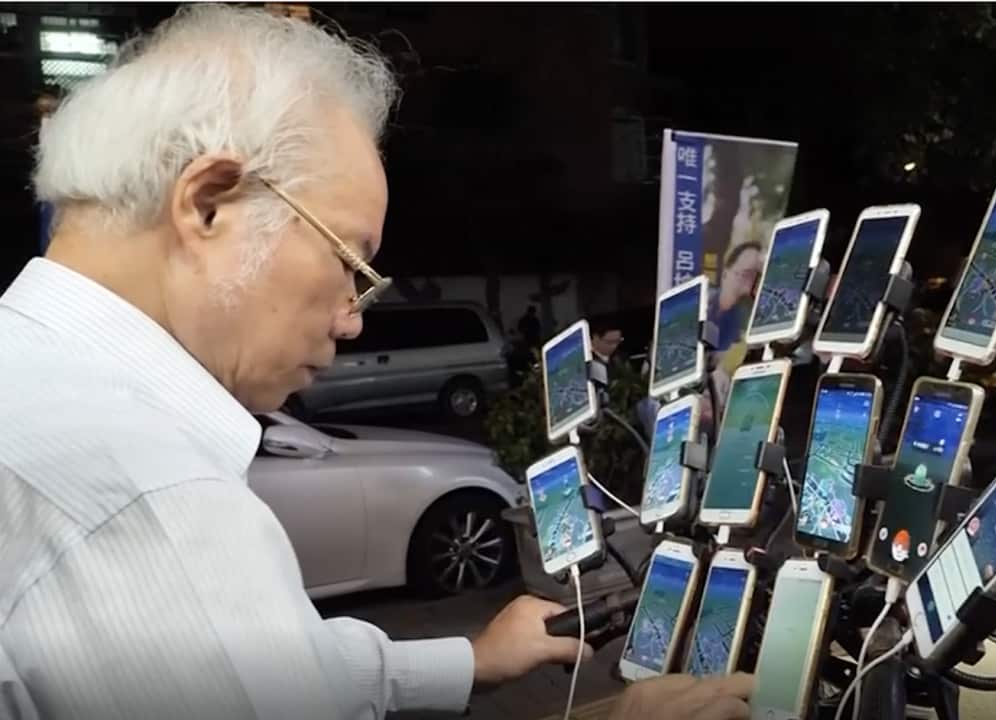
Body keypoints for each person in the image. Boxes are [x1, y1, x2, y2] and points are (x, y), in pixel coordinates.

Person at [0, 6, 751, 720]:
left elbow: (266, 665)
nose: (353, 318)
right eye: (350, 264)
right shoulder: (147, 496)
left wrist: (468, 662)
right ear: (209, 205)